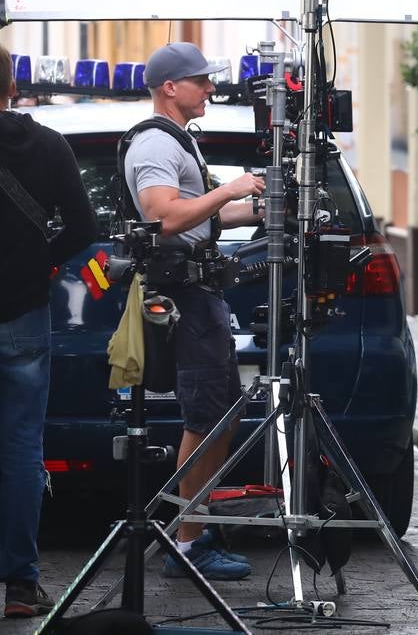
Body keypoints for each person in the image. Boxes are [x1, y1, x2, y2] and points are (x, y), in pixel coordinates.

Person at [122, 42, 264, 581]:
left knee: (222, 411)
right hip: (182, 297)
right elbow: (163, 216)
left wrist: (260, 206)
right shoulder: (155, 145)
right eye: (200, 81)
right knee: (205, 417)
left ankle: (195, 529)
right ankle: (187, 541)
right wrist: (228, 187)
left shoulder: (179, 143)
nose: (209, 89)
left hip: (201, 296)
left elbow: (201, 217)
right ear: (169, 88)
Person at [0, 44, 97, 619]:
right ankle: (18, 584)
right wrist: (43, 262)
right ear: (12, 85)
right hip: (24, 315)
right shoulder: (48, 144)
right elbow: (83, 226)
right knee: (19, 451)